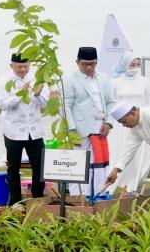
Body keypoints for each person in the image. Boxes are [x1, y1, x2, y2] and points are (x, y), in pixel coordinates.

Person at [0, 53, 49, 206]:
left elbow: (44, 104)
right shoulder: (4, 81)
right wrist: (22, 92)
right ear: (11, 65)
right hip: (13, 131)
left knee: (40, 166)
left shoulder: (37, 79)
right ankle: (15, 202)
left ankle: (38, 200)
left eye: (26, 66)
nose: (23, 69)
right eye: (19, 66)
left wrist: (38, 94)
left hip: (34, 130)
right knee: (13, 168)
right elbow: (3, 104)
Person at [63, 47, 115, 196]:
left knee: (99, 164)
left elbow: (111, 102)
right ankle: (78, 198)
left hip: (100, 128)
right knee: (80, 166)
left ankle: (99, 195)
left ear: (97, 62)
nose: (89, 67)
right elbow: (65, 105)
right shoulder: (70, 79)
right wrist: (71, 130)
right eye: (85, 64)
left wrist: (109, 123)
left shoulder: (104, 78)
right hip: (80, 129)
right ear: (77, 62)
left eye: (92, 64)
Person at [108, 52, 150, 195]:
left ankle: (131, 186)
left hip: (139, 123)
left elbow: (149, 103)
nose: (135, 67)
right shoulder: (115, 82)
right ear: (124, 65)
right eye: (132, 65)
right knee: (120, 153)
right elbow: (111, 104)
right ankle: (113, 184)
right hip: (120, 126)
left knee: (138, 156)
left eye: (137, 64)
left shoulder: (145, 81)